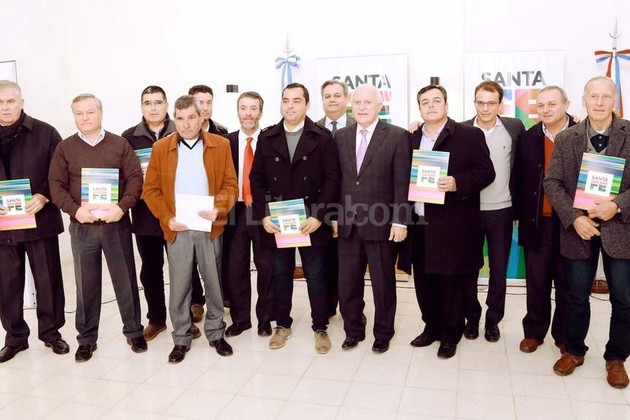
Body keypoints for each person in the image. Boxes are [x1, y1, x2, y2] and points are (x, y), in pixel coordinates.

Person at [544, 76, 630, 389]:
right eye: (593, 96)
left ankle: (616, 357)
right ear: (584, 100)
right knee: (576, 295)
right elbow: (552, 182)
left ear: (614, 100)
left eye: (606, 96)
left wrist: (617, 205)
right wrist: (573, 218)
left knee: (624, 298)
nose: (599, 102)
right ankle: (574, 350)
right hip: (579, 230)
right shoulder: (567, 138)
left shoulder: (629, 133)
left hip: (621, 230)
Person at [49, 93, 146, 362]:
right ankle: (86, 339)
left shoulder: (120, 144)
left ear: (100, 113)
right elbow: (56, 185)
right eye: (79, 113)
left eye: (90, 112)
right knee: (86, 285)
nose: (85, 117)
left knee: (125, 280)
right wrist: (75, 210)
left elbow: (135, 178)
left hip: (116, 224)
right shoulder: (65, 148)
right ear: (74, 116)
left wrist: (122, 207)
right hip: (83, 228)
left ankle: (134, 331)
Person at [143, 95, 237, 364]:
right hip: (178, 227)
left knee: (214, 282)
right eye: (180, 119)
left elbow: (231, 185)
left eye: (191, 118)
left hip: (209, 226)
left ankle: (216, 333)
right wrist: (166, 217)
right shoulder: (161, 148)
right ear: (174, 119)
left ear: (201, 117)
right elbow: (150, 189)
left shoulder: (220, 145)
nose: (186, 124)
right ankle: (181, 338)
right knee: (180, 285)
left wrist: (219, 207)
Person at [403, 84, 495, 358]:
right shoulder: (411, 138)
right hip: (419, 223)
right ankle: (431, 327)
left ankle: (450, 334)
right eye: (425, 102)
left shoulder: (469, 135)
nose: (431, 106)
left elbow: (486, 172)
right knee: (423, 280)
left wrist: (457, 182)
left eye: (436, 100)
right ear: (419, 108)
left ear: (446, 104)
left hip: (453, 223)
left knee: (451, 283)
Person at [250, 82, 339, 354]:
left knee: (316, 275)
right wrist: (264, 215)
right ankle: (282, 324)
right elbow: (256, 179)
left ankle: (320, 326)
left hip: (311, 221)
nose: (290, 106)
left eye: (296, 101)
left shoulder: (322, 137)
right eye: (286, 100)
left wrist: (319, 215)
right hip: (279, 221)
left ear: (307, 105)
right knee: (280, 274)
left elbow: (332, 179)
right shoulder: (267, 137)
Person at [335, 83, 410, 354]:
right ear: (351, 106)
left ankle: (383, 333)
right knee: (347, 283)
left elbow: (402, 182)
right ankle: (353, 330)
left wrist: (400, 220)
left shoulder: (397, 136)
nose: (362, 107)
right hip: (348, 223)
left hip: (382, 224)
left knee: (383, 284)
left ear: (380, 106)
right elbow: (338, 180)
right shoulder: (341, 136)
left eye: (368, 102)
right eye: (358, 102)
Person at [122, 85, 201, 341]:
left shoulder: (182, 130)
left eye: (158, 102)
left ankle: (186, 317)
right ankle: (156, 319)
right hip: (145, 216)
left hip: (179, 214)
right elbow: (125, 175)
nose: (153, 107)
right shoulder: (129, 137)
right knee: (151, 270)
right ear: (141, 107)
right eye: (147, 103)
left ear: (167, 105)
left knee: (184, 268)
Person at [0, 80, 68, 363]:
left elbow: (61, 173)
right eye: (0, 103)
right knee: (7, 283)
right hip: (3, 226)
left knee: (47, 279)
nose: (5, 107)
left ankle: (51, 333)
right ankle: (15, 338)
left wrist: (43, 195)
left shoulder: (46, 132)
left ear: (22, 102)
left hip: (41, 220)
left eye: (10, 101)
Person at [513, 86, 576, 354]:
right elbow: (517, 177)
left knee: (566, 283)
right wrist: (518, 214)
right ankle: (534, 332)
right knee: (536, 282)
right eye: (541, 105)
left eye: (552, 104)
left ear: (566, 105)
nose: (546, 110)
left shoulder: (580, 134)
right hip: (537, 221)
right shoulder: (528, 137)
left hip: (572, 222)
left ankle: (563, 335)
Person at [462, 81, 525, 343]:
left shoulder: (514, 128)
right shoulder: (462, 130)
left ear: (500, 104)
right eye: (480, 102)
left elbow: (524, 165)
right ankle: (471, 317)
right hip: (469, 213)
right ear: (474, 103)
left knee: (498, 271)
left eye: (491, 103)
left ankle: (492, 321)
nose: (485, 108)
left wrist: (572, 120)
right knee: (468, 269)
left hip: (502, 211)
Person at [223, 91, 273, 337]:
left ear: (260, 112)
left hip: (263, 210)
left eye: (253, 108)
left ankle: (265, 319)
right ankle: (241, 320)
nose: (248, 114)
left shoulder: (270, 140)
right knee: (235, 268)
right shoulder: (226, 142)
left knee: (266, 267)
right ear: (238, 111)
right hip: (236, 210)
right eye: (244, 108)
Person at [187, 84, 228, 321]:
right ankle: (196, 300)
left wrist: (219, 205)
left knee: (215, 259)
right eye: (199, 102)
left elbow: (228, 176)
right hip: (186, 209)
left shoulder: (222, 133)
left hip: (215, 209)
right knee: (189, 260)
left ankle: (218, 298)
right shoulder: (177, 134)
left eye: (208, 102)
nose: (204, 107)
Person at [315, 79, 356, 318]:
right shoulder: (313, 128)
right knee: (324, 262)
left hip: (351, 207)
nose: (332, 100)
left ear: (347, 98)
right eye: (327, 96)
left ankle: (352, 310)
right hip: (320, 209)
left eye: (337, 95)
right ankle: (328, 306)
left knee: (350, 266)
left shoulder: (358, 125)